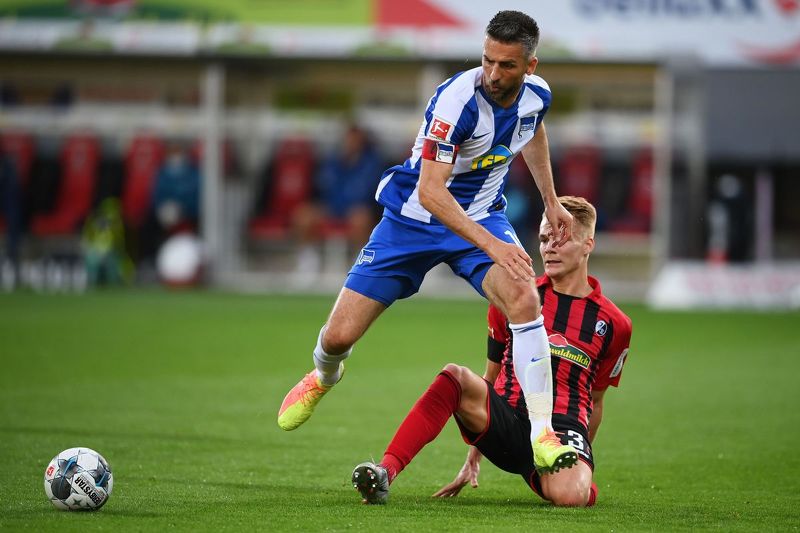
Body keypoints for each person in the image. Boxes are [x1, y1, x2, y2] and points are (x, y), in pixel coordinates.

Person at [278, 10, 576, 473]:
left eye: (507, 66)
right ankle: (322, 376)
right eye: (487, 60)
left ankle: (542, 432)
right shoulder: (457, 102)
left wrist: (551, 199)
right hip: (412, 221)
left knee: (523, 299)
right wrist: (495, 246)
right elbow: (431, 192)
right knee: (337, 337)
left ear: (531, 67)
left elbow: (532, 128)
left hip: (479, 214)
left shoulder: (538, 96)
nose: (493, 74)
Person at [351, 196, 633, 507]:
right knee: (454, 376)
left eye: (560, 238)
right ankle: (385, 472)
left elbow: (595, 401)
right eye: (544, 237)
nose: (549, 246)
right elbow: (492, 374)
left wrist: (578, 462)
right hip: (509, 423)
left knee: (571, 497)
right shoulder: (516, 295)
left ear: (587, 244)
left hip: (563, 429)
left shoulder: (615, 324)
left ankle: (571, 483)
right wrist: (473, 456)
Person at [292, 123, 384, 276]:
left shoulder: (373, 163)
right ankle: (308, 261)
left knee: (361, 218)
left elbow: (373, 196)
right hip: (331, 208)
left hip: (357, 211)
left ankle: (359, 264)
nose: (351, 142)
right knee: (304, 215)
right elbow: (321, 188)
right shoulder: (331, 161)